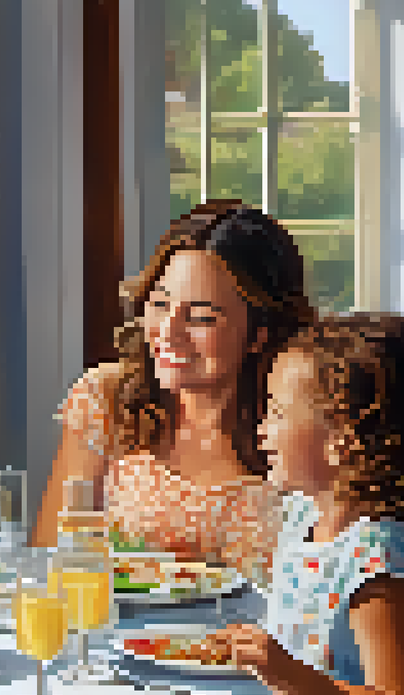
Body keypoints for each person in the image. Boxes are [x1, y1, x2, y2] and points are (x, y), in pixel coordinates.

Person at [211, 313, 404, 695]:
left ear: (340, 439)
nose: (262, 429)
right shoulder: (302, 520)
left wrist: (286, 673)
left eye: (277, 412)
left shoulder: (380, 560)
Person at [32, 199, 315, 584]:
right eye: (160, 304)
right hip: (123, 641)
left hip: (263, 643)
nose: (168, 333)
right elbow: (52, 562)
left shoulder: (305, 424)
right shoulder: (105, 399)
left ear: (259, 333)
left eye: (201, 318)